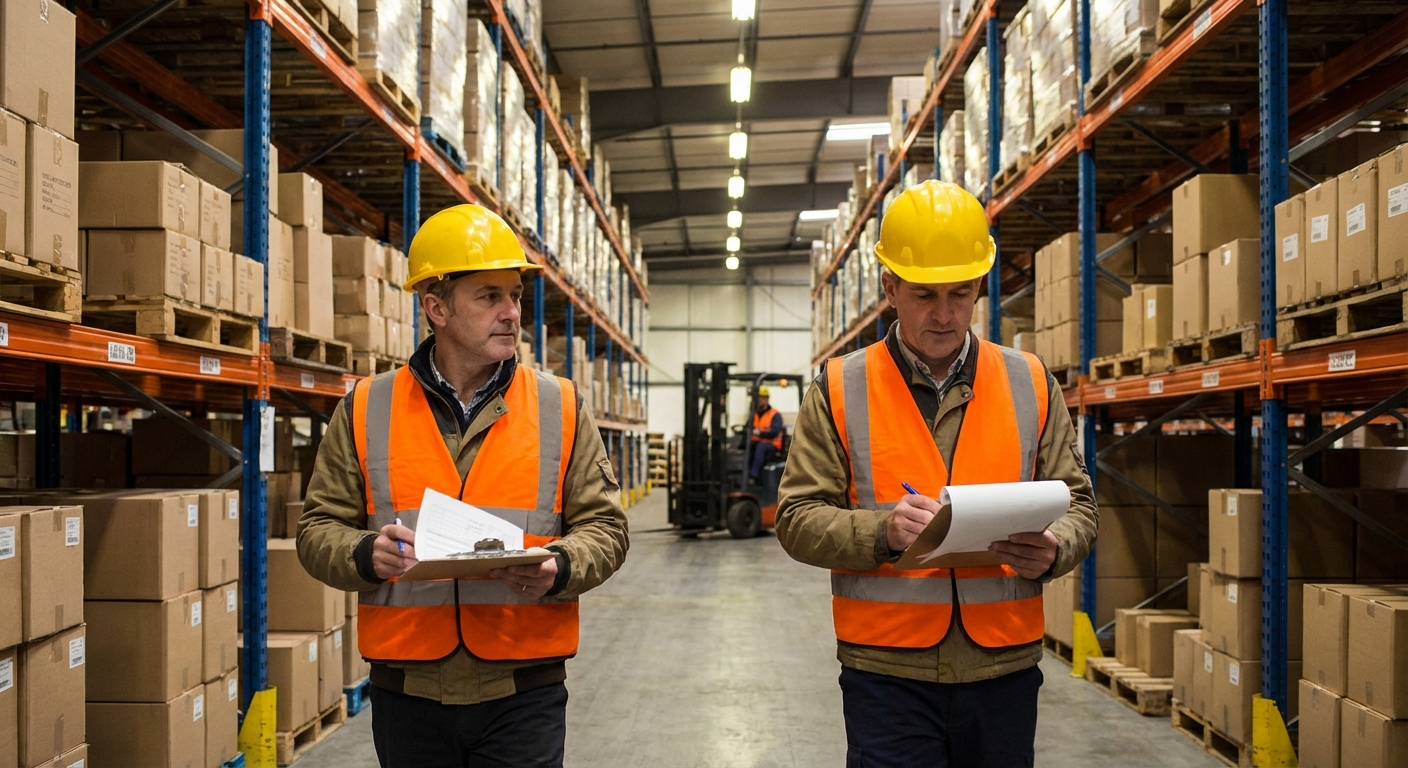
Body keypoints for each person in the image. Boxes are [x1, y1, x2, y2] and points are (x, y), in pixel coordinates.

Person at [775, 181, 1098, 768]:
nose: (944, 315)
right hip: (887, 671)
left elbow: (1080, 504)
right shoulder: (840, 388)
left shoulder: (1030, 381)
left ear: (980, 287)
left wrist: (1056, 548)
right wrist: (882, 532)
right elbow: (797, 519)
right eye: (924, 295)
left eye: (960, 293)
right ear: (889, 288)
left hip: (1003, 666)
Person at [296, 204, 629, 768]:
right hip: (408, 692)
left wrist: (561, 565)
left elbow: (606, 529)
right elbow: (316, 530)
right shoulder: (366, 407)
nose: (511, 313)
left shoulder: (561, 406)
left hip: (523, 689)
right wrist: (365, 553)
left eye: (515, 295)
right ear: (437, 308)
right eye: (489, 296)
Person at [746, 386, 784, 486]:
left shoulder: (774, 414)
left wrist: (760, 433)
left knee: (761, 447)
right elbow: (748, 428)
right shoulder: (754, 414)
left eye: (761, 397)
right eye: (758, 398)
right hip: (757, 442)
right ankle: (743, 475)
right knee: (747, 446)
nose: (759, 400)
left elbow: (774, 431)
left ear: (766, 398)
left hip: (772, 445)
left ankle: (753, 476)